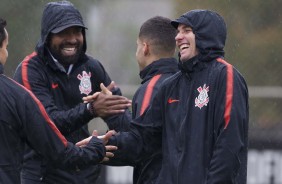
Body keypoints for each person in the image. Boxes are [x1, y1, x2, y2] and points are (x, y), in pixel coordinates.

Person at [80, 9, 249, 183]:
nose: (178, 37)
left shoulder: (224, 75)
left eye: (187, 31)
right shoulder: (170, 86)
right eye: (178, 32)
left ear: (206, 35)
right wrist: (101, 147)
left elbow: (229, 144)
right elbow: (142, 139)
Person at [13, 1, 131, 184]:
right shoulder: (30, 70)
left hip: (85, 174)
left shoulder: (91, 67)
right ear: (47, 36)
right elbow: (47, 124)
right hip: (43, 176)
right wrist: (90, 110)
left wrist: (113, 136)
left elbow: (119, 115)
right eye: (63, 33)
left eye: (77, 31)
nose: (72, 39)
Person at [86, 16, 179, 184]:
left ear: (145, 48)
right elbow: (147, 136)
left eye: (137, 45)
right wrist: (114, 110)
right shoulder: (183, 83)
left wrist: (96, 147)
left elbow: (138, 146)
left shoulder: (153, 87)